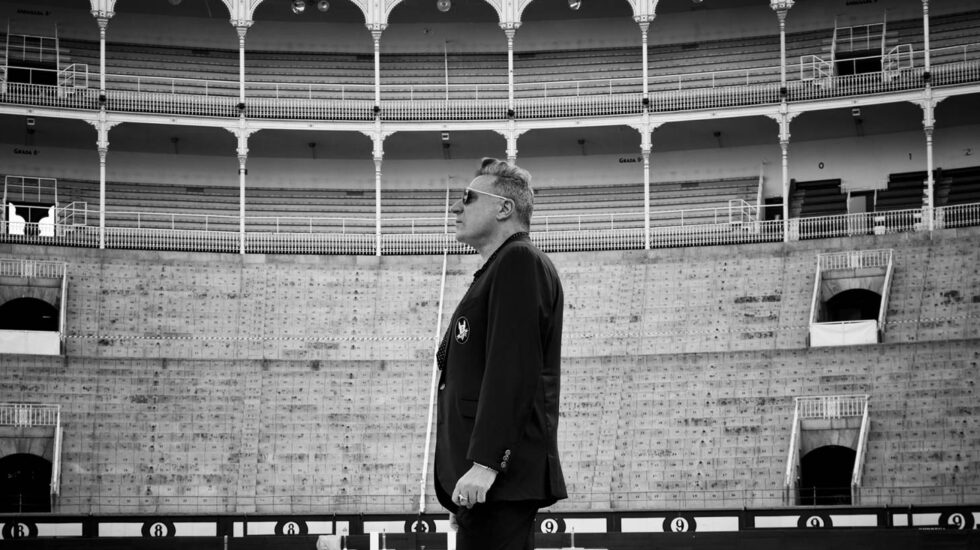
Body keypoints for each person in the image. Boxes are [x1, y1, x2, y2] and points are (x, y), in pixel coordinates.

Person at [434, 158, 566, 550]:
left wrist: (486, 464)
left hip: (498, 477)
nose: (455, 208)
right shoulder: (499, 267)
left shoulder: (518, 261)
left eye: (467, 198)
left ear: (504, 208)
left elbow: (513, 367)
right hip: (488, 483)